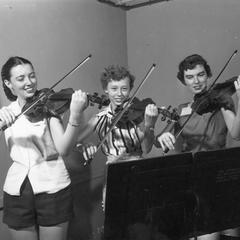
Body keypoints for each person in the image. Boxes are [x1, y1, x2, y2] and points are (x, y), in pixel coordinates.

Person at [0, 56, 88, 240]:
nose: (29, 82)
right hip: (18, 191)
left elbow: (63, 149)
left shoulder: (49, 108)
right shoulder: (5, 113)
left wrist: (75, 115)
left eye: (32, 76)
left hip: (53, 188)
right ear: (8, 83)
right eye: (21, 78)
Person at [156, 54, 240, 240]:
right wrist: (165, 135)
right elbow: (163, 135)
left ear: (208, 74)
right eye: (190, 77)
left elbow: (236, 133)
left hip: (220, 175)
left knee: (231, 232)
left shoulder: (222, 101)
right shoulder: (182, 109)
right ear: (183, 80)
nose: (196, 81)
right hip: (194, 181)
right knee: (206, 235)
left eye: (201, 75)